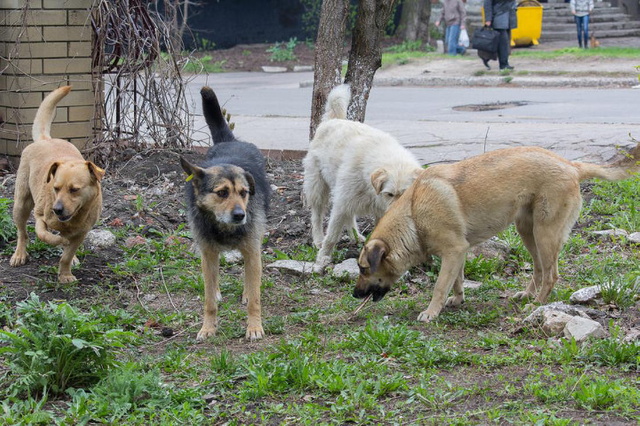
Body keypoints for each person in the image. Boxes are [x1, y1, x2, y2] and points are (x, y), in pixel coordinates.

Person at [483, 0, 517, 70]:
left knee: (504, 43)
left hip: (509, 17)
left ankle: (501, 62)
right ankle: (503, 65)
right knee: (503, 43)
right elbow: (487, 4)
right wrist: (488, 19)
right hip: (499, 17)